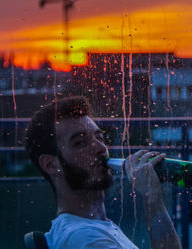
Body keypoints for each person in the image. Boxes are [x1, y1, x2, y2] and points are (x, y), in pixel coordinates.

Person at [25, 96, 182, 249]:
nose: (100, 148)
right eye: (80, 143)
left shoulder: (97, 226)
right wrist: (152, 197)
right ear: (51, 165)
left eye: (99, 138)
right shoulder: (84, 239)